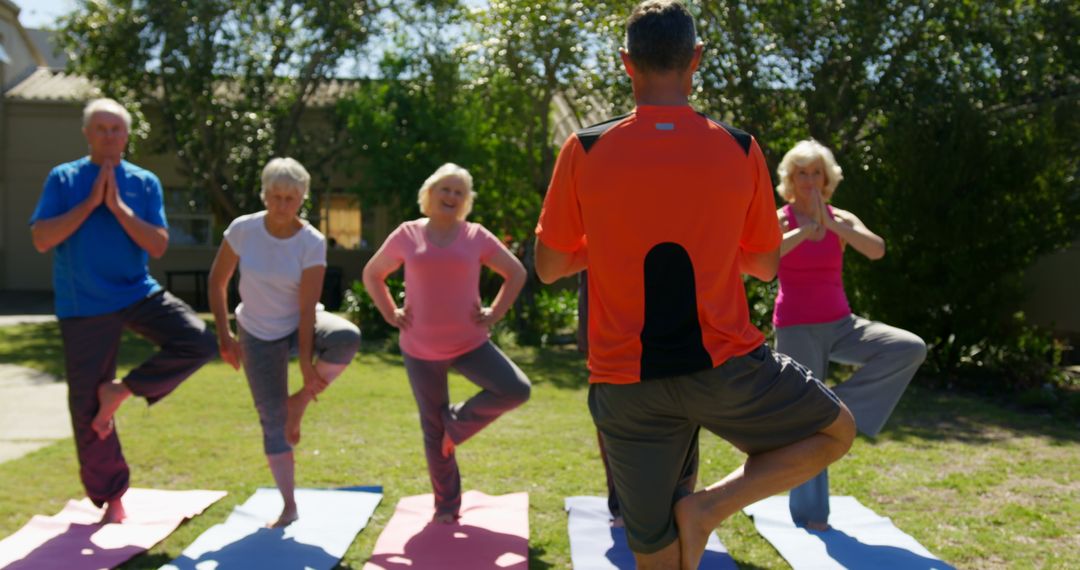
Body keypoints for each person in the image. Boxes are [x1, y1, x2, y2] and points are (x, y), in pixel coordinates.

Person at [533, 2, 857, 567]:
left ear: (626, 63)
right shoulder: (739, 148)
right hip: (727, 368)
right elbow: (761, 265)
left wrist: (608, 244)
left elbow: (550, 266)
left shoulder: (584, 149)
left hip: (626, 384)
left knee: (654, 555)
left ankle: (699, 513)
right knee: (836, 432)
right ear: (696, 61)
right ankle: (709, 508)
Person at [29, 98, 218, 524]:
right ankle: (112, 497)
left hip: (137, 292)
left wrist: (117, 208)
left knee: (197, 341)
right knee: (86, 410)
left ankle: (122, 390)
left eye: (116, 129)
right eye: (101, 128)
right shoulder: (64, 178)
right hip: (83, 304)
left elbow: (157, 244)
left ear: (128, 135)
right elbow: (42, 238)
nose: (109, 135)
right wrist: (90, 204)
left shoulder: (145, 182)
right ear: (86, 133)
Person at [363, 163, 531, 523]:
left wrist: (496, 312)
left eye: (459, 192)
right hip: (420, 349)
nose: (451, 197)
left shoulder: (475, 236)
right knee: (432, 432)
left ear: (466, 201)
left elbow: (515, 272)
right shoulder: (408, 234)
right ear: (430, 194)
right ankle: (446, 508)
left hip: (470, 342)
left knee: (515, 389)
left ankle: (456, 423)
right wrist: (390, 312)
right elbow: (373, 273)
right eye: (445, 190)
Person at [772, 139, 927, 530]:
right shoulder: (781, 219)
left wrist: (836, 227)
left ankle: (833, 407)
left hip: (842, 325)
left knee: (909, 348)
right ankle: (811, 515)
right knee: (810, 427)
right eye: (801, 173)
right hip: (796, 327)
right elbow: (759, 262)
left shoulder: (841, 217)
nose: (809, 180)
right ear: (791, 179)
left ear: (827, 178)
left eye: (816, 172)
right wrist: (801, 233)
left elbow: (876, 250)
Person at [208, 157, 360, 528]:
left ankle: (299, 404)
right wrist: (226, 336)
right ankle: (289, 505)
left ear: (302, 198)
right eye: (275, 196)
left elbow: (308, 307)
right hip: (257, 333)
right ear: (264, 194)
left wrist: (307, 367)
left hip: (298, 324)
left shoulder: (311, 241)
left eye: (290, 198)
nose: (282, 204)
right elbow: (217, 282)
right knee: (272, 421)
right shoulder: (243, 230)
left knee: (345, 337)